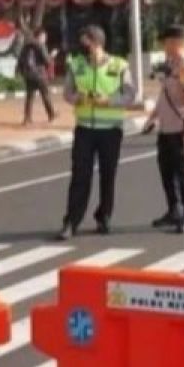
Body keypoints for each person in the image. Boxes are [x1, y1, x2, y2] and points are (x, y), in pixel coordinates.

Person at [56, 25, 137, 240]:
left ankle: (104, 217)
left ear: (97, 43)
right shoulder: (77, 65)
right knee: (80, 176)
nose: (83, 47)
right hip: (84, 129)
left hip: (110, 130)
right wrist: (78, 99)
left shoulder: (119, 66)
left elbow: (130, 95)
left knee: (108, 176)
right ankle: (71, 222)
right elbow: (67, 93)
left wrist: (108, 101)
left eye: (86, 43)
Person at [143, 24, 184, 233]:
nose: (164, 46)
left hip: (182, 126)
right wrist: (153, 117)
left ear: (178, 42)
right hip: (166, 126)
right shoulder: (170, 64)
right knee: (166, 170)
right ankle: (174, 209)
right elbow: (163, 94)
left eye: (167, 42)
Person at [15, 28, 55, 125]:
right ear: (40, 36)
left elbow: (20, 60)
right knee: (45, 95)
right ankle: (51, 115)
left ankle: (27, 118)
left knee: (30, 97)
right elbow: (47, 61)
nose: (45, 38)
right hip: (40, 75)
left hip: (28, 75)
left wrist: (19, 72)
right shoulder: (41, 45)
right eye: (44, 36)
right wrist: (52, 56)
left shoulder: (26, 46)